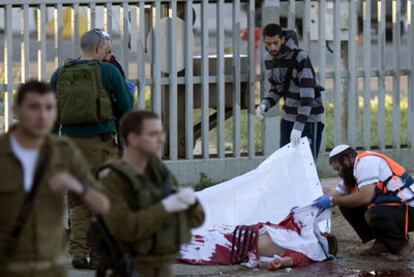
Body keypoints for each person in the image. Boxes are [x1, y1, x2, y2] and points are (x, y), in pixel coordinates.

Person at [0, 80, 109, 277]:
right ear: (16, 109)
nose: (42, 116)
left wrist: (78, 187)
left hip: (52, 269)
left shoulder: (64, 151)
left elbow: (103, 206)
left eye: (49, 108)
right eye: (34, 107)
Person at [50, 29, 133, 269]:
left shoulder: (60, 73)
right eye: (107, 47)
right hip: (102, 145)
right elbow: (126, 109)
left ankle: (77, 251)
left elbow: (51, 114)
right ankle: (98, 256)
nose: (109, 51)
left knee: (77, 200)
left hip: (69, 145)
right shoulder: (108, 72)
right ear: (99, 49)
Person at [98, 111, 205, 277]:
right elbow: (125, 228)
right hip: (129, 269)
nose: (161, 139)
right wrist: (165, 207)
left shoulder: (160, 173)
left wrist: (192, 203)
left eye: (161, 133)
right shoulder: (113, 180)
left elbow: (197, 220)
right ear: (133, 138)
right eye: (153, 134)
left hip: (163, 268)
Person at [313, 145, 414, 260]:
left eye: (338, 168)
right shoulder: (352, 173)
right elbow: (335, 194)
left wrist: (332, 201)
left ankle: (401, 246)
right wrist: (311, 202)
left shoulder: (366, 162)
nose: (338, 173)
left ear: (346, 160)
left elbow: (365, 197)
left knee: (373, 214)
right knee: (346, 205)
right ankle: (382, 242)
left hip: (410, 210)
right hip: (398, 210)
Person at [179, 206, 337, 271]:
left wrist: (280, 263)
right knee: (205, 237)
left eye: (324, 235)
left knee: (199, 246)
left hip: (240, 245)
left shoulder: (307, 251)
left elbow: (291, 260)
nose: (321, 233)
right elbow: (297, 217)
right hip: (242, 234)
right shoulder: (302, 237)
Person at [256, 24, 324, 160]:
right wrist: (265, 104)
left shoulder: (300, 57)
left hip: (308, 119)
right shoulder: (268, 58)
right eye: (268, 44)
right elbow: (277, 88)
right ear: (264, 42)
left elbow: (308, 95)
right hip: (288, 117)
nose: (272, 48)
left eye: (275, 43)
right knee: (286, 163)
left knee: (306, 163)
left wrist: (299, 126)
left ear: (282, 39)